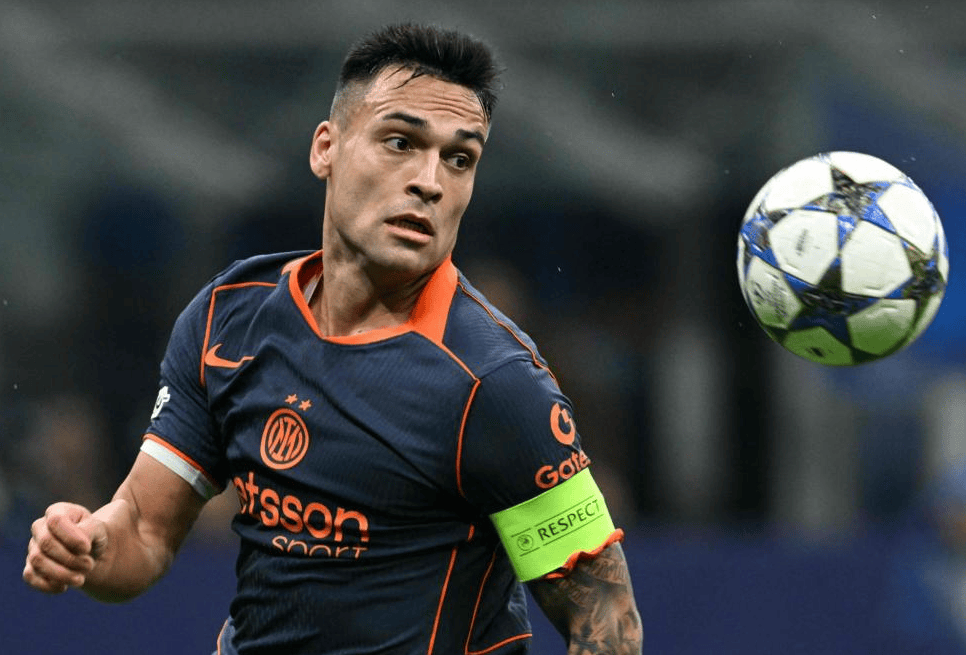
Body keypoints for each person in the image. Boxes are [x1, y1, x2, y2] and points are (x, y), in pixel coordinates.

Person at [23, 23, 643, 655]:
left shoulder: (496, 383)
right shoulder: (227, 319)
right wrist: (90, 545)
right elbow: (143, 530)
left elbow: (609, 625)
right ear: (327, 148)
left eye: (460, 159)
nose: (430, 181)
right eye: (400, 142)